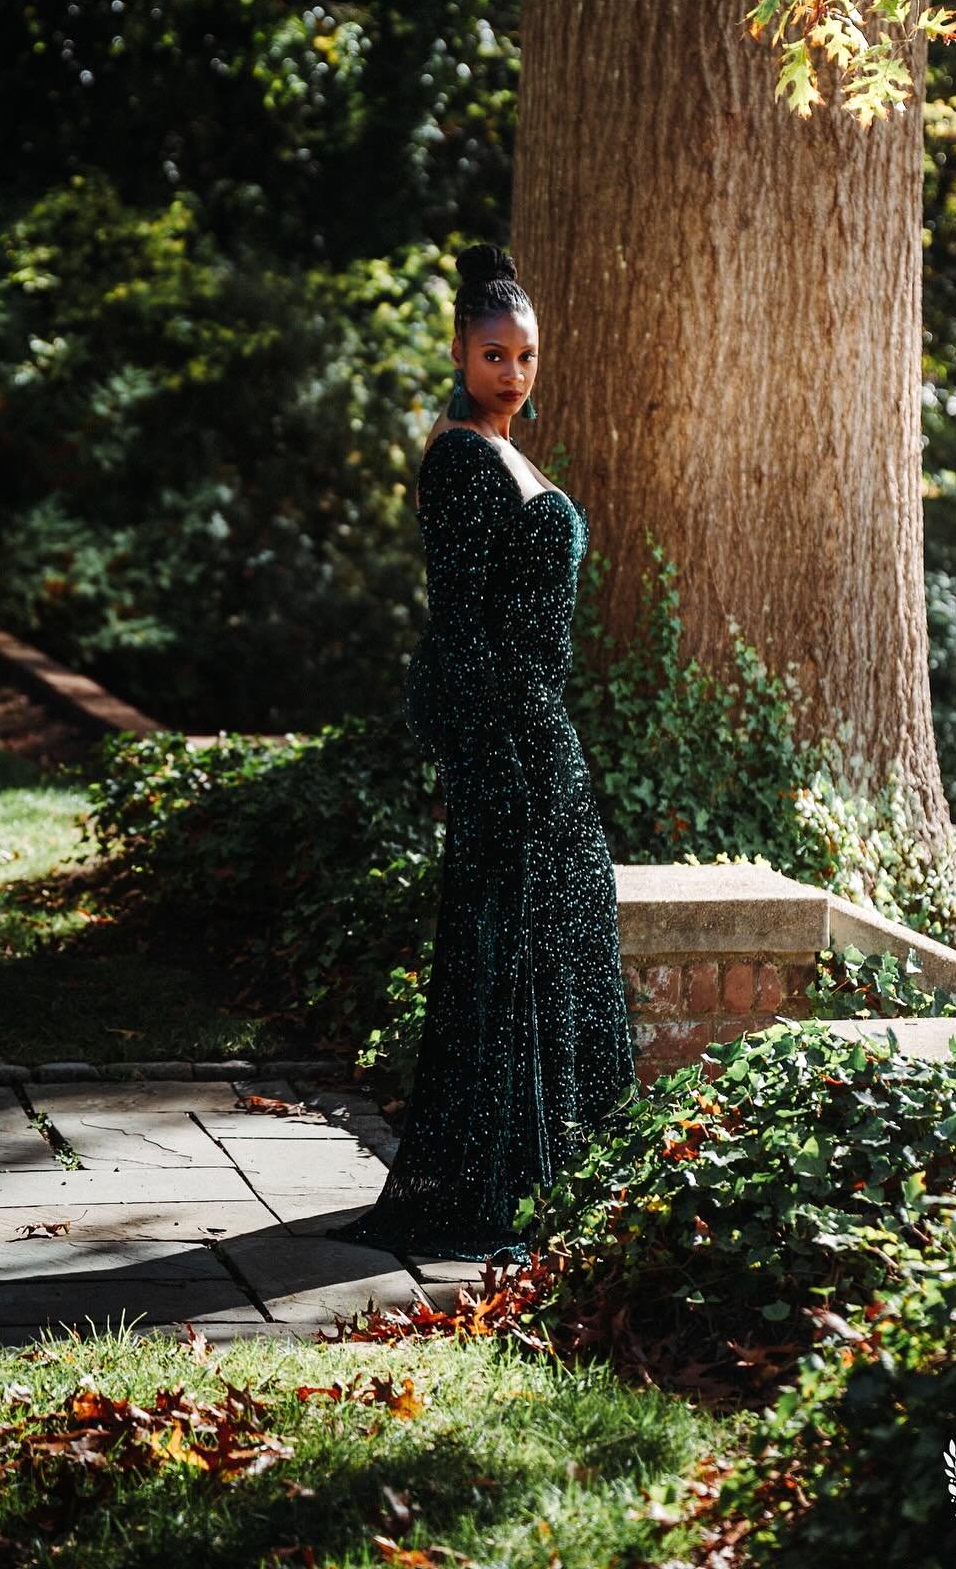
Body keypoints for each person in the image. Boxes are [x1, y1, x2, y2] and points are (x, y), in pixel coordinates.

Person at [327, 242, 641, 1267]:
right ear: (460, 351)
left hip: (540, 735)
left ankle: (537, 1169)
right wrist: (484, 759)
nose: (515, 374)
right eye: (496, 354)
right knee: (506, 952)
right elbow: (455, 631)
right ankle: (490, 1180)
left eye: (529, 356)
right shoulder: (462, 458)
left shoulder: (507, 453)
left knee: (551, 945)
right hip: (510, 740)